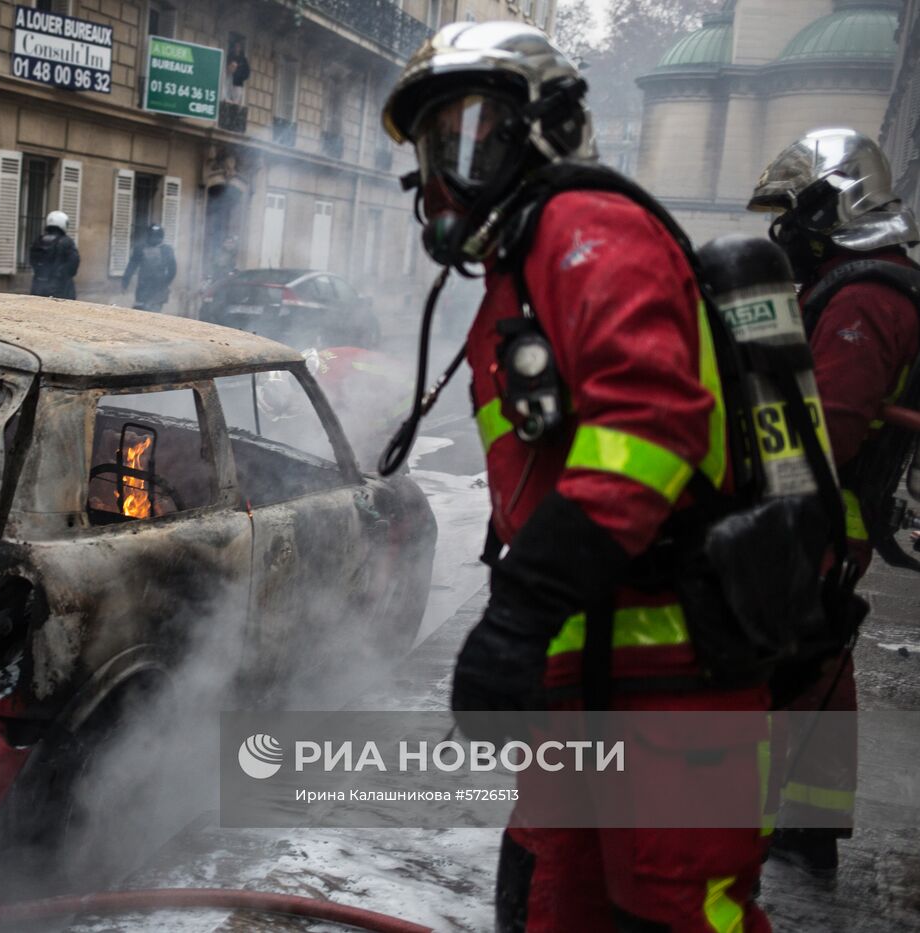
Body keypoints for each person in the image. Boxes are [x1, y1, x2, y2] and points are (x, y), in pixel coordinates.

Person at [383, 22, 772, 929]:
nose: (448, 174)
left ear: (545, 126)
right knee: (551, 902)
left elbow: (649, 423)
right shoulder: (517, 269)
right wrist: (523, 625)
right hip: (592, 675)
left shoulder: (584, 225)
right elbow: (543, 483)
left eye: (473, 135)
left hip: (679, 676)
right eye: (440, 147)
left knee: (679, 909)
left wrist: (519, 614)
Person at [748, 129, 920, 877]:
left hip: (822, 507)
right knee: (819, 669)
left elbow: (830, 427)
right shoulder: (869, 281)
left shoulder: (865, 295)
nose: (783, 233)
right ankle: (809, 825)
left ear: (832, 207)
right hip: (830, 508)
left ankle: (745, 826)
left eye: (792, 214)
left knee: (768, 670)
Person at [122, 223, 176, 312]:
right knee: (140, 312)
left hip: (159, 289)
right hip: (143, 287)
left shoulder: (166, 250)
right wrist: (125, 281)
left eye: (157, 237)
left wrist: (165, 284)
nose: (154, 239)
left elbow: (172, 270)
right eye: (152, 236)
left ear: (161, 238)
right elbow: (131, 266)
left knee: (154, 313)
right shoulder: (140, 249)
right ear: (148, 236)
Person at [29, 210, 80, 299]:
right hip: (61, 289)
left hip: (38, 287)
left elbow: (32, 261)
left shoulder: (38, 241)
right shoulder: (67, 242)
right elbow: (73, 266)